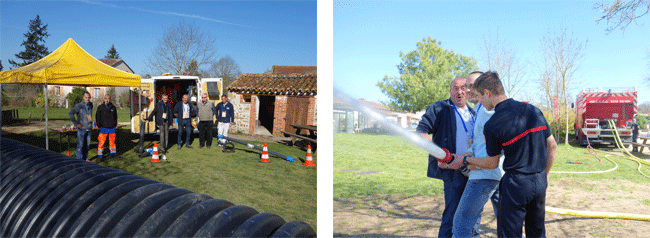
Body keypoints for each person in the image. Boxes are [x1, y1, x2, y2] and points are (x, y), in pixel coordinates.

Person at [447, 71, 557, 238]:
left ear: (488, 93)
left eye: (480, 96)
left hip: (515, 184)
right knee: (537, 232)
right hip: (539, 181)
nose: (481, 103)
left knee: (508, 233)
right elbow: (552, 146)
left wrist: (466, 160)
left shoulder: (493, 124)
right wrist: (545, 174)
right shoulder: (533, 110)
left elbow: (492, 163)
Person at [416, 77, 477, 238]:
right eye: (455, 88)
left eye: (463, 88)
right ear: (450, 91)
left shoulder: (474, 113)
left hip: (473, 169)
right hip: (453, 170)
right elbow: (421, 132)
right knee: (452, 215)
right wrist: (440, 155)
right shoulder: (439, 108)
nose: (460, 92)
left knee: (472, 216)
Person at [447, 71, 505, 238]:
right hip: (490, 173)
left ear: (484, 89)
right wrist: (467, 154)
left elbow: (497, 147)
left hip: (484, 174)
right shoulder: (480, 108)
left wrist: (467, 161)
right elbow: (479, 142)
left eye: (471, 86)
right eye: (467, 86)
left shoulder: (488, 109)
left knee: (460, 224)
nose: (467, 90)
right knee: (505, 223)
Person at [69, 92, 94, 162]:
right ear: (83, 98)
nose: (87, 99)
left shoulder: (91, 105)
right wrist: (76, 123)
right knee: (80, 145)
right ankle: (78, 160)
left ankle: (85, 159)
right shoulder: (79, 105)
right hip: (81, 129)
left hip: (89, 128)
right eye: (86, 97)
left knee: (87, 146)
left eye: (89, 97)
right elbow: (70, 113)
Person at [95, 94, 118, 160]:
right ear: (104, 99)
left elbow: (115, 117)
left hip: (112, 127)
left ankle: (113, 154)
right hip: (103, 127)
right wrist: (99, 125)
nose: (107, 100)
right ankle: (100, 155)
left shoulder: (113, 107)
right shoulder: (100, 107)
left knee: (112, 142)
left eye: (108, 98)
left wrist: (115, 124)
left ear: (110, 99)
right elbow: (97, 116)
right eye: (105, 98)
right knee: (101, 142)